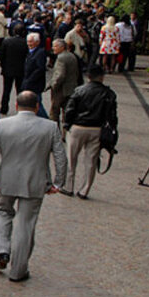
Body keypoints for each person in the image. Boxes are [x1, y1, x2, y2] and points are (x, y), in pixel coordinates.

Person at [0, 91, 66, 283]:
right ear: (37, 106)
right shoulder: (50, 127)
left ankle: (3, 250)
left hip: (6, 180)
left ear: (16, 105)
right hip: (35, 183)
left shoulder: (2, 125)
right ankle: (18, 272)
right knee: (25, 225)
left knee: (3, 213)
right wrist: (58, 182)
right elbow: (60, 157)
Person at [62, 64, 118, 200]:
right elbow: (112, 115)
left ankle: (68, 187)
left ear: (88, 77)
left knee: (71, 158)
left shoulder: (79, 91)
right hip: (97, 129)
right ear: (102, 77)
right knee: (91, 161)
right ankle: (85, 190)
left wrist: (67, 125)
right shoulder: (108, 93)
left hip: (77, 127)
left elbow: (70, 110)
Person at [48, 38, 81, 126]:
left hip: (61, 89)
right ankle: (65, 132)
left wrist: (53, 85)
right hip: (71, 88)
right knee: (67, 112)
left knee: (54, 112)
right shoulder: (72, 56)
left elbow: (60, 75)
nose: (53, 48)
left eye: (55, 46)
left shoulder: (61, 58)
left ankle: (55, 132)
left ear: (62, 47)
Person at [0, 23, 28, 115]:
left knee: (6, 90)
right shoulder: (25, 42)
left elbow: (1, 55)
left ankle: (4, 107)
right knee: (19, 90)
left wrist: (3, 65)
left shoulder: (7, 41)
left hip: (8, 70)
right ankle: (20, 108)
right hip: (20, 70)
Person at [22, 32, 49, 118]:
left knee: (37, 104)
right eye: (28, 41)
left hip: (35, 84)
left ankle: (47, 121)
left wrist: (30, 80)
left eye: (31, 42)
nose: (29, 44)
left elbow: (40, 69)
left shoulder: (40, 53)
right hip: (30, 82)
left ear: (37, 42)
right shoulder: (30, 52)